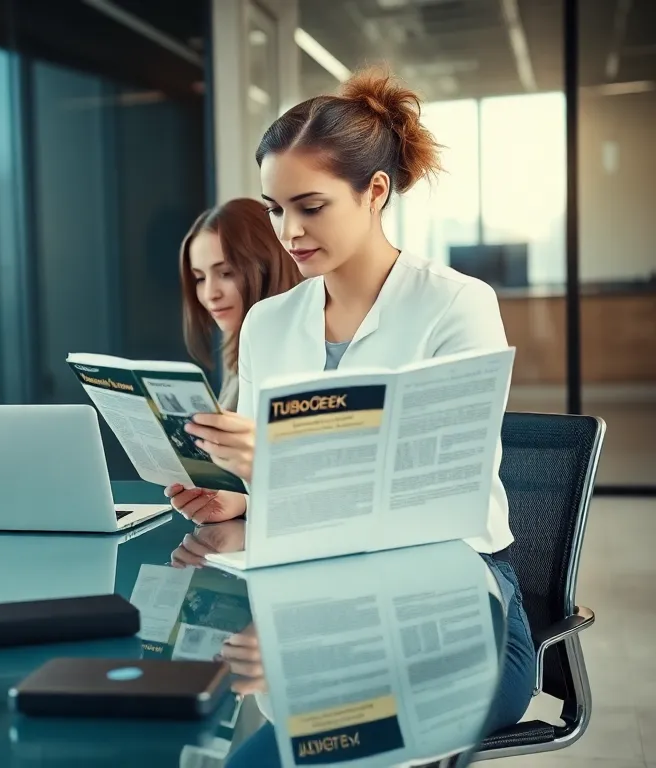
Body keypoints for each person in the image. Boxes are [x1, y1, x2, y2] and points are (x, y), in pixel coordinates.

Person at [162, 68, 535, 763]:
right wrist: (237, 497)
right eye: (276, 209)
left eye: (310, 206)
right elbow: (300, 508)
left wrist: (272, 462)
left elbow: (440, 500)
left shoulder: (456, 305)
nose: (290, 232)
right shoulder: (270, 324)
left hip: (452, 602)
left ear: (374, 191)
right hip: (320, 595)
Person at [180, 198, 303, 411]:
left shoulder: (293, 356)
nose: (210, 294)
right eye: (200, 278)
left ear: (266, 267)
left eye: (226, 273)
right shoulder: (238, 355)